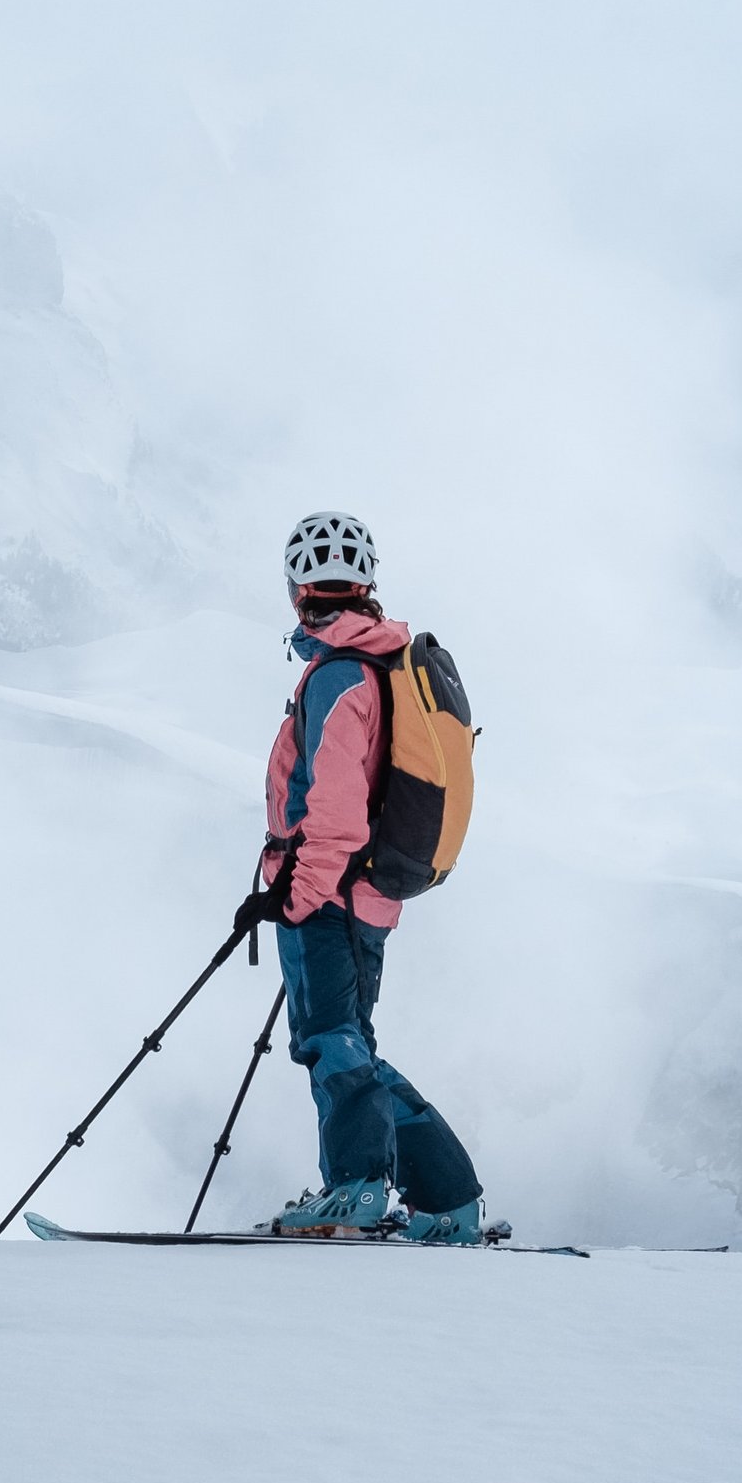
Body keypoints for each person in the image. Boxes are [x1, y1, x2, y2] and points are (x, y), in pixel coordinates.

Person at [233, 511, 486, 1242]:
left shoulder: (340, 674)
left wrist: (296, 898)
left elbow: (336, 813)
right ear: (367, 584)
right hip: (367, 893)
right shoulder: (377, 661)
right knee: (350, 1044)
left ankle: (356, 1187)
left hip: (330, 894)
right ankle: (447, 1200)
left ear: (295, 592)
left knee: (331, 1042)